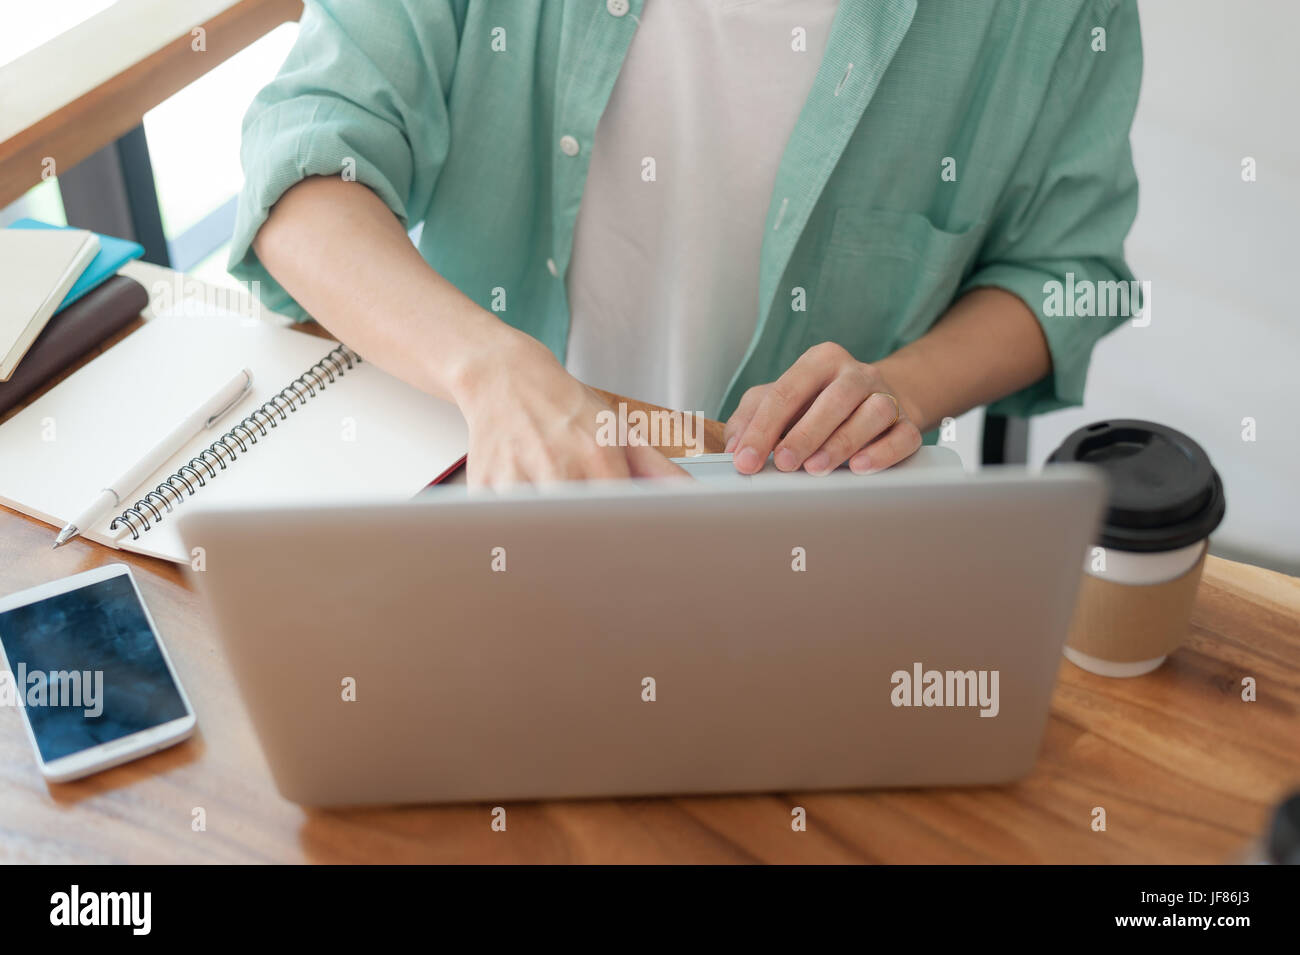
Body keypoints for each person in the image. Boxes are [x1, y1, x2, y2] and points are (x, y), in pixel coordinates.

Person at [231, 0, 1142, 486]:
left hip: (811, 537)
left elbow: (1064, 273)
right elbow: (305, 170)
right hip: (479, 479)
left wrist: (905, 386)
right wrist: (488, 368)